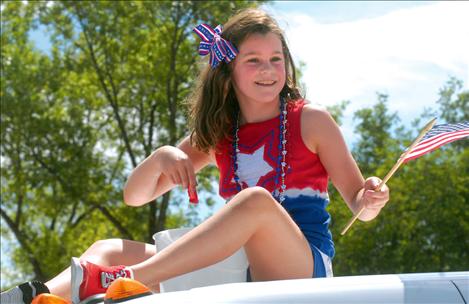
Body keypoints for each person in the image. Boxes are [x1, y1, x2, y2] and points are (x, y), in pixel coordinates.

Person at [1, 8, 389, 304]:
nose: (268, 69)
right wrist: (162, 157)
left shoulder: (311, 119)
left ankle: (126, 279)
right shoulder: (221, 133)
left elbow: (359, 204)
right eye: (253, 60)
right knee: (107, 248)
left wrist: (371, 198)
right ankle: (35, 296)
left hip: (300, 269)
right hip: (238, 267)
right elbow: (134, 197)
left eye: (276, 58)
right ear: (229, 71)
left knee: (254, 201)